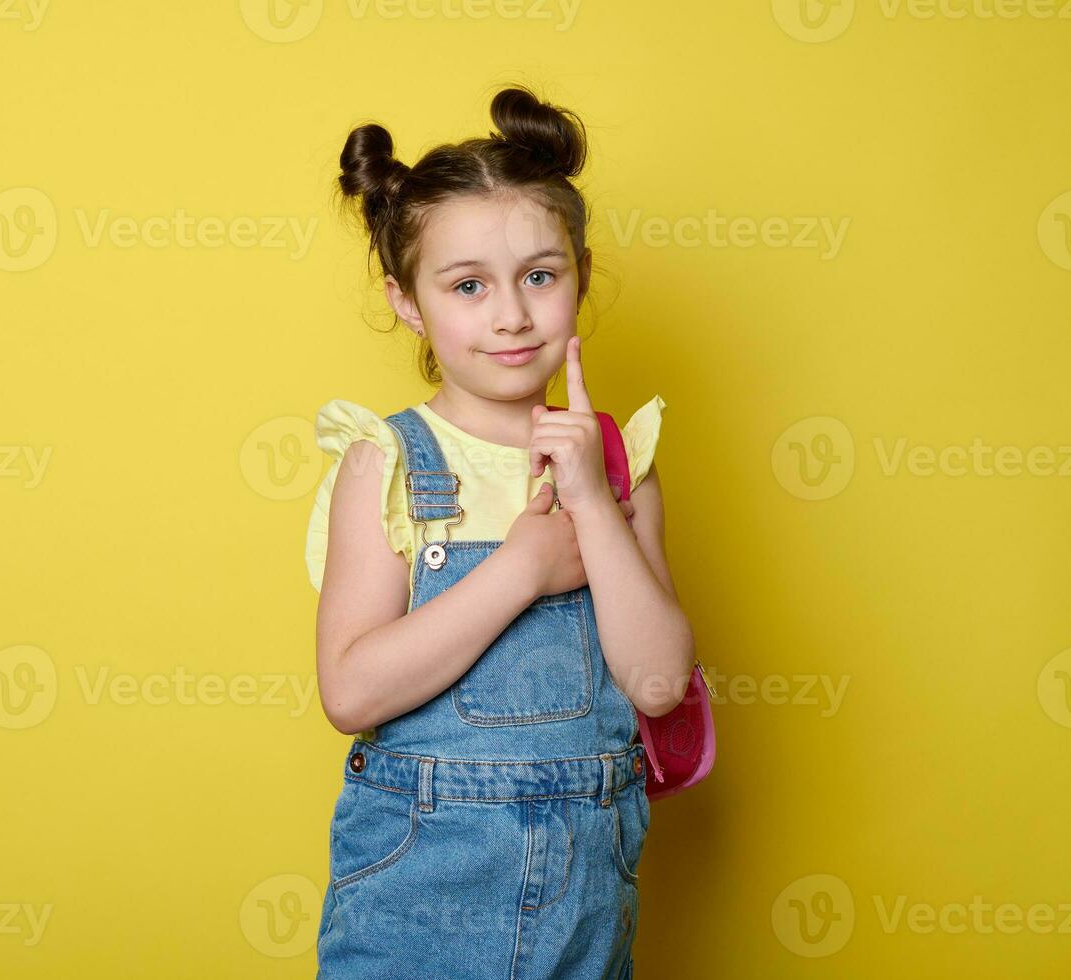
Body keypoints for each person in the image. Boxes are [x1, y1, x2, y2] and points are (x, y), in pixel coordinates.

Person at [303, 84, 695, 978]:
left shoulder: (622, 463)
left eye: (540, 276)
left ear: (581, 277)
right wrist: (519, 569)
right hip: (416, 886)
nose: (511, 315)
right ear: (408, 302)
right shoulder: (388, 463)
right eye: (468, 285)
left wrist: (594, 506)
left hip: (583, 899)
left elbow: (660, 681)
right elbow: (350, 693)